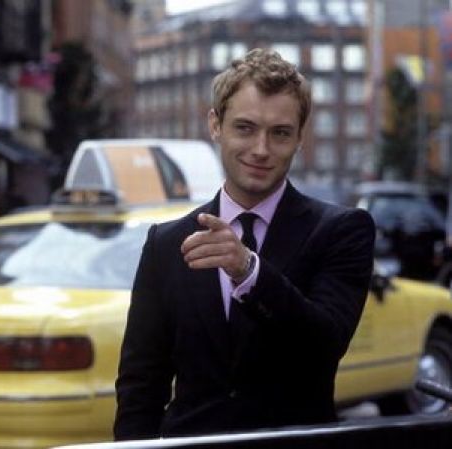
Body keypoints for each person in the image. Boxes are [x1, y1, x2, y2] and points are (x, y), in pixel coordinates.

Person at [113, 48, 376, 439]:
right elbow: (141, 384)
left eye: (280, 133)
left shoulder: (342, 231)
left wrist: (250, 272)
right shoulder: (166, 243)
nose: (261, 149)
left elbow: (325, 345)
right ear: (215, 126)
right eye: (245, 128)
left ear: (300, 137)